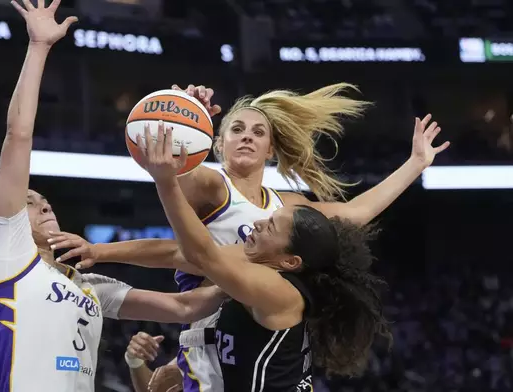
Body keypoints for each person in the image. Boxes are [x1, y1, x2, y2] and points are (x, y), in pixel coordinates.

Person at [63, 84, 449, 390]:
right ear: (219, 143)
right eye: (237, 129)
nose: (247, 137)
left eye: (258, 132)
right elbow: (176, 193)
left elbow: (356, 213)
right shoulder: (214, 185)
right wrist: (185, 118)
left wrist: (415, 163)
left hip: (261, 335)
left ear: (271, 150)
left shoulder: (287, 209)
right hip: (211, 339)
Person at [0, 2, 225, 391]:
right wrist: (39, 47)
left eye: (45, 201)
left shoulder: (90, 284)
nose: (44, 204)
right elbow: (18, 136)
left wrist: (259, 270)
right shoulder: (9, 255)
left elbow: (186, 307)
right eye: (30, 202)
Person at [107, 124, 390, 390]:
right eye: (237, 128)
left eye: (270, 226)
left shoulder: (276, 289)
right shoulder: (254, 276)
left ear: (290, 260)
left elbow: (200, 254)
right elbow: (183, 283)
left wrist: (165, 181)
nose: (257, 224)